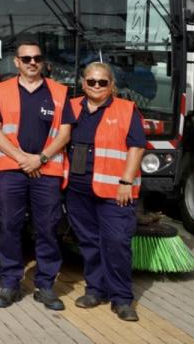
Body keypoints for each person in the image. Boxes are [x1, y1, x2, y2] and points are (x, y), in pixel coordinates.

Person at [0, 40, 71, 310]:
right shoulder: (2, 90)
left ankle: (45, 286)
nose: (32, 62)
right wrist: (21, 157)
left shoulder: (59, 92)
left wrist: (40, 158)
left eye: (37, 58)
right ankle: (10, 283)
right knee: (10, 227)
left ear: (43, 61)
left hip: (46, 171)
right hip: (12, 170)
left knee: (47, 229)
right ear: (16, 62)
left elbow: (65, 133)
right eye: (26, 59)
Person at [61, 63, 146, 322]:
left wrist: (126, 182)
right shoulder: (72, 107)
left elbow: (137, 147)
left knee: (117, 243)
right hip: (77, 190)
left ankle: (121, 299)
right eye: (91, 81)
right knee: (88, 243)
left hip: (114, 191)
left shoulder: (126, 109)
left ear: (112, 85)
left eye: (102, 82)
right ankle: (95, 290)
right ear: (83, 83)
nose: (96, 86)